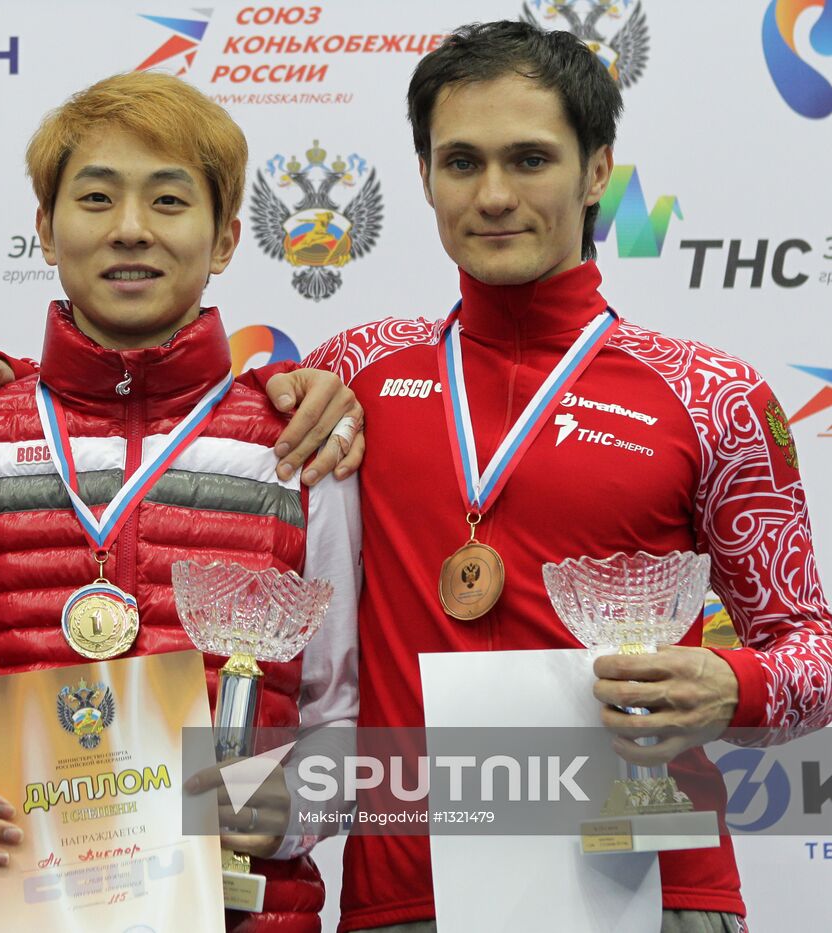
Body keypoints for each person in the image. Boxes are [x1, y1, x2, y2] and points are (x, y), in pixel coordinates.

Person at [299, 20, 832, 932]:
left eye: (531, 159)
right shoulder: (352, 374)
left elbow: (811, 645)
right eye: (461, 161)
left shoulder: (712, 395)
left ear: (596, 173)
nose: (495, 195)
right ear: (424, 176)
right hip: (409, 894)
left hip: (651, 885)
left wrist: (730, 685)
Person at [0, 71, 362, 933]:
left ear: (225, 238)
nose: (130, 230)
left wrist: (296, 805)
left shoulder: (300, 439)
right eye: (96, 197)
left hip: (239, 909)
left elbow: (336, 702)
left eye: (168, 200)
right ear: (44, 228)